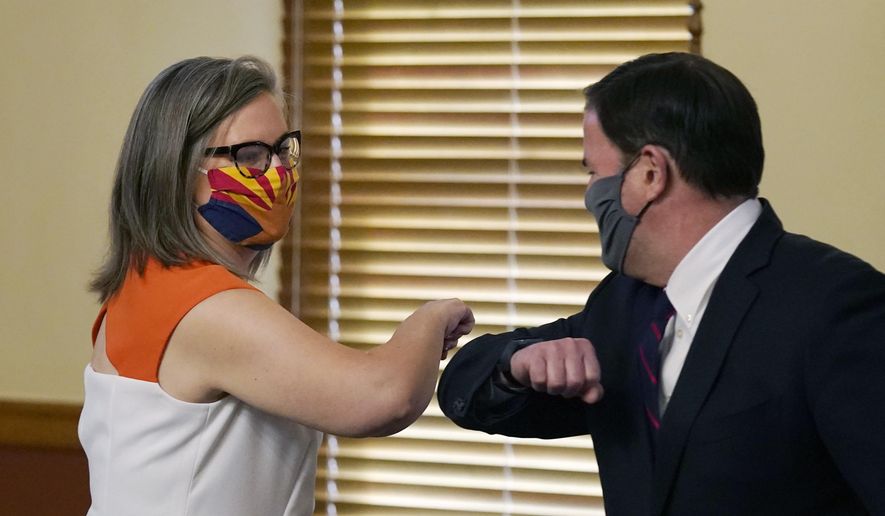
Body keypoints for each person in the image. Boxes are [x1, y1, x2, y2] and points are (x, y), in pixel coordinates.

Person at [438, 52, 885, 515]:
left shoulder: (840, 306)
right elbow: (465, 387)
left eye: (594, 172)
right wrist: (516, 365)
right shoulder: (624, 304)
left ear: (651, 173)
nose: (589, 194)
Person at [79, 56, 474, 516]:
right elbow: (384, 397)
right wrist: (432, 318)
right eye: (250, 156)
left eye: (283, 149)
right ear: (178, 170)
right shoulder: (201, 306)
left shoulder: (150, 285)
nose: (278, 172)